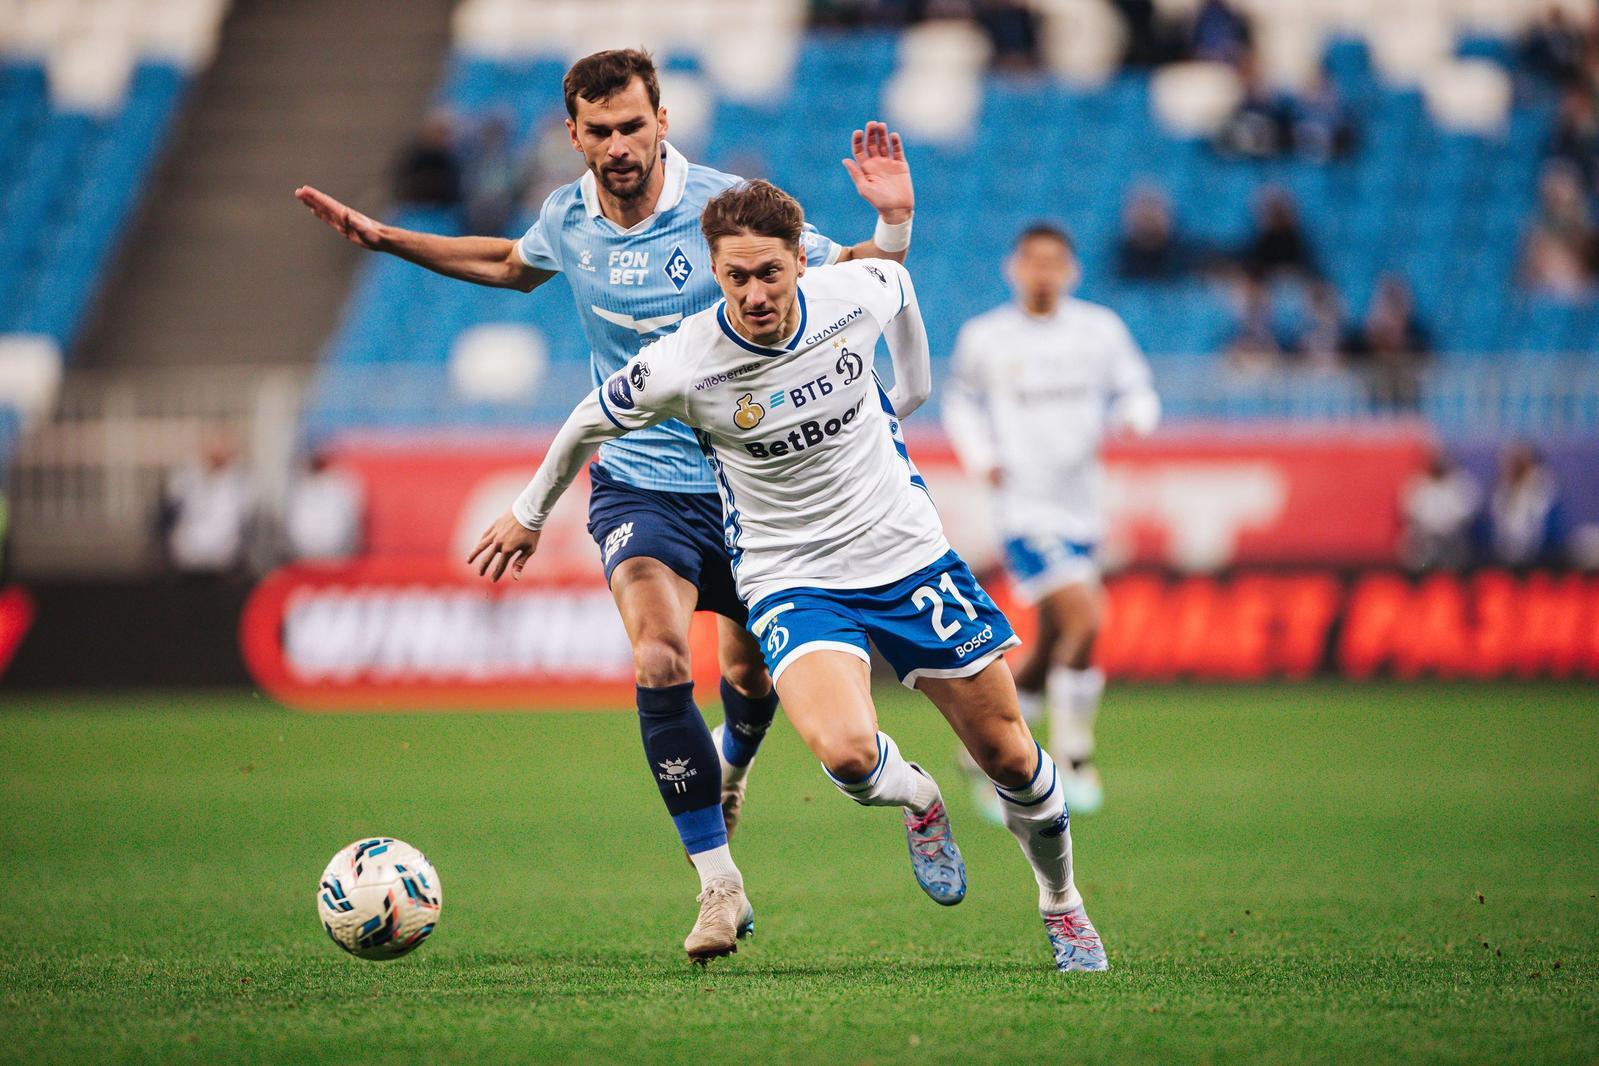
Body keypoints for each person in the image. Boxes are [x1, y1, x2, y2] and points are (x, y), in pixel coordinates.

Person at [296, 49, 917, 958]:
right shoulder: (567, 216)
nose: (619, 145)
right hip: (637, 480)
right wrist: (390, 239)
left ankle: (731, 764)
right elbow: (510, 263)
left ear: (662, 120)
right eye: (601, 131)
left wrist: (891, 224)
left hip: (750, 487)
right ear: (574, 135)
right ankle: (717, 886)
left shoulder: (727, 212)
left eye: (634, 126)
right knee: (660, 656)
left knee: (749, 676)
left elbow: (853, 271)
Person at [471, 180, 1108, 973]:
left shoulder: (854, 290)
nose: (754, 293)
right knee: (846, 755)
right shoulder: (684, 361)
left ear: (799, 261)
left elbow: (900, 287)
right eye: (734, 277)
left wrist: (907, 395)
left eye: (769, 273)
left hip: (904, 554)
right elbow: (584, 422)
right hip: (789, 575)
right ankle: (919, 798)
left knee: (1011, 757)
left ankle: (1061, 903)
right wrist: (529, 514)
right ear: (714, 270)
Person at [943, 224, 1159, 817]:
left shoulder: (1099, 331)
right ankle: (1074, 755)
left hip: (1083, 508)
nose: (1042, 272)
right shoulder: (986, 337)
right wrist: (981, 457)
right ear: (1014, 268)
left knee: (1051, 642)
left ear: (1071, 271)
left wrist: (1138, 414)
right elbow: (960, 402)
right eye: (1032, 261)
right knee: (1085, 620)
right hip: (1024, 508)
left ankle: (984, 750)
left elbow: (1136, 387)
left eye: (1054, 262)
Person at [158, 429, 254, 576]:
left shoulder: (240, 484)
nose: (217, 456)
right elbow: (166, 518)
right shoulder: (184, 479)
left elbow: (246, 525)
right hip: (185, 562)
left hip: (224, 564)